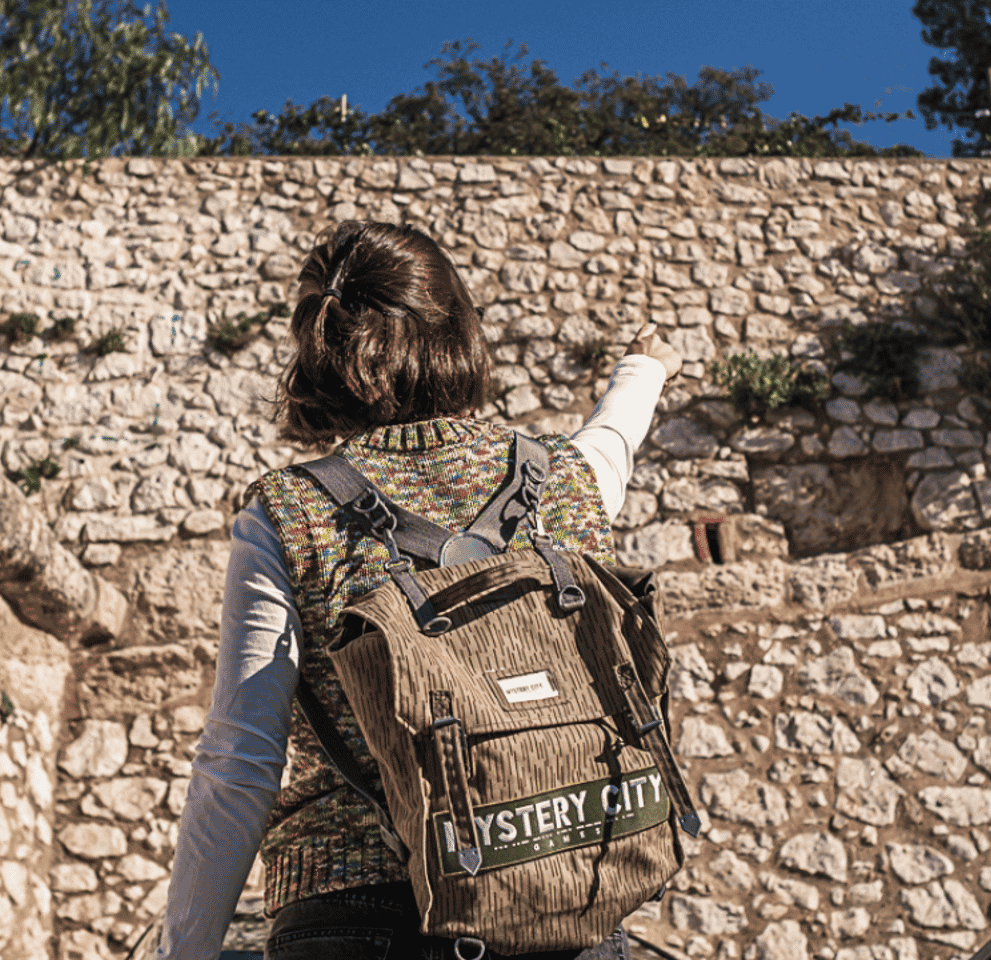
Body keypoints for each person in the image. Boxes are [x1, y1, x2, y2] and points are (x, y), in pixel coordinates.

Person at [158, 221, 683, 960]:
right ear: (459, 329)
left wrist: (182, 951)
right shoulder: (562, 481)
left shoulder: (288, 513)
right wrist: (645, 367)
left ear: (316, 356)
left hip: (352, 914)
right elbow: (611, 443)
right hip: (569, 890)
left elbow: (241, 758)